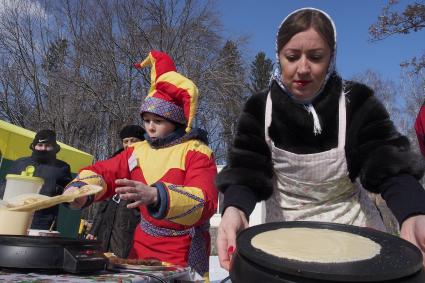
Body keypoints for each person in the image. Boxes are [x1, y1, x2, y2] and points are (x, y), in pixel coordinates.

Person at [215, 7, 425, 270]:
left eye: (315, 57)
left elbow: (389, 164)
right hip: (282, 240)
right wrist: (234, 208)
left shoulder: (355, 103)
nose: (302, 68)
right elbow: (246, 172)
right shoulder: (261, 108)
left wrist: (413, 212)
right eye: (292, 57)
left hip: (353, 238)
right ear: (278, 56)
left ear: (331, 58)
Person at [64, 50, 218, 280]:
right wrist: (80, 190)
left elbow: (205, 201)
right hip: (141, 246)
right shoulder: (137, 151)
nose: (150, 128)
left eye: (158, 121)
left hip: (181, 249)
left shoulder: (197, 152)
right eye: (146, 121)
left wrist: (157, 195)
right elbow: (105, 172)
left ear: (175, 121)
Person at [86, 125, 145, 258]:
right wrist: (94, 229)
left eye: (133, 140)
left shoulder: (149, 162)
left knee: (123, 260)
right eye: (125, 141)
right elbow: (105, 200)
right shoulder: (115, 160)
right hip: (109, 218)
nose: (129, 145)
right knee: (104, 257)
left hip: (131, 220)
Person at [0, 129, 72, 230]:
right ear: (33, 146)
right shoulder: (20, 163)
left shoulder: (62, 167)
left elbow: (69, 198)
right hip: (14, 219)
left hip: (44, 222)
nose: (43, 149)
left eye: (48, 146)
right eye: (40, 145)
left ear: (54, 148)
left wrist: (54, 189)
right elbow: (3, 189)